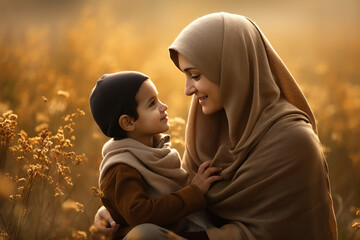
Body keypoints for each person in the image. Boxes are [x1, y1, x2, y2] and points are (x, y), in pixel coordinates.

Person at [94, 12, 338, 239]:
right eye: (186, 76)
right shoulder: (207, 127)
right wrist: (117, 213)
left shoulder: (294, 141)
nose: (188, 89)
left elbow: (277, 232)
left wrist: (138, 232)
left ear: (231, 69)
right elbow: (180, 201)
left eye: (196, 76)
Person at [89, 71, 222, 239]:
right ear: (128, 122)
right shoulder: (122, 167)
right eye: (152, 104)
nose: (163, 106)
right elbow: (141, 215)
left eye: (158, 99)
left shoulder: (155, 150)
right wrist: (194, 192)